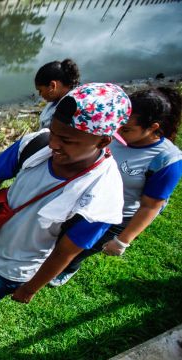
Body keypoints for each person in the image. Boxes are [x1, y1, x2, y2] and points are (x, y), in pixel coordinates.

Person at [0, 83, 131, 346]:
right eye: (55, 132)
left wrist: (31, 288)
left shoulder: (103, 196)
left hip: (17, 265)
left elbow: (65, 252)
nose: (54, 144)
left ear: (103, 141)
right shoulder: (37, 143)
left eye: (67, 140)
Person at [50, 86, 182, 286]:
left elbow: (150, 206)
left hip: (113, 216)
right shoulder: (111, 131)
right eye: (118, 125)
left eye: (126, 129)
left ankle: (68, 268)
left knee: (81, 246)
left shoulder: (166, 159)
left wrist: (123, 240)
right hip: (82, 200)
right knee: (60, 236)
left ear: (153, 127)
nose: (117, 132)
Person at [35, 59, 81, 129]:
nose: (40, 94)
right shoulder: (59, 98)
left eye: (40, 90)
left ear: (53, 86)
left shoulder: (67, 110)